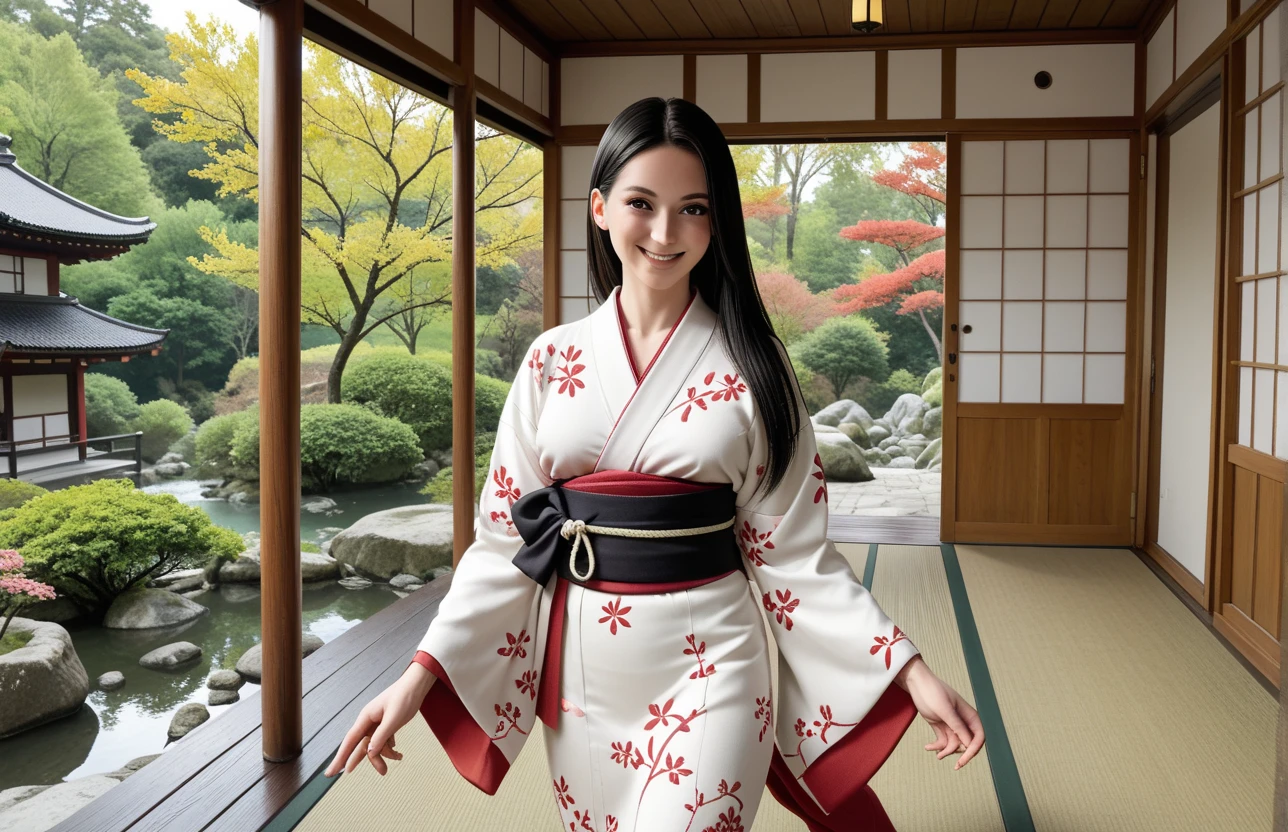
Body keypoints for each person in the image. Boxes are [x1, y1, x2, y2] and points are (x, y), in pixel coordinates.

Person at [325, 96, 983, 831]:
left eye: (694, 209)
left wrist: (906, 668)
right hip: (583, 679)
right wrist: (419, 676)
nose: (667, 233)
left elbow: (794, 555)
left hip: (714, 666)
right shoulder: (552, 361)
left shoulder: (757, 368)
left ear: (718, 221)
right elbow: (505, 546)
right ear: (601, 208)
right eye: (642, 203)